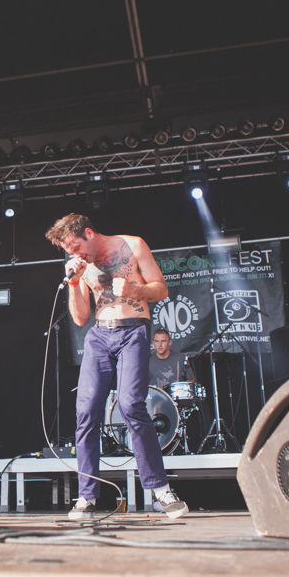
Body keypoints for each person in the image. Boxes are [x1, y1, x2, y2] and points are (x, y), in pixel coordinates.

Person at [46, 213, 187, 519]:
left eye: (76, 247)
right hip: (99, 334)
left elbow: (161, 289)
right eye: (68, 251)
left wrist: (136, 291)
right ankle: (86, 496)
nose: (75, 254)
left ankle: (161, 490)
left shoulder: (132, 245)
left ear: (89, 233)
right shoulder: (79, 266)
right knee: (86, 410)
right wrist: (74, 281)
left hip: (133, 329)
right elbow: (80, 318)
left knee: (130, 404)